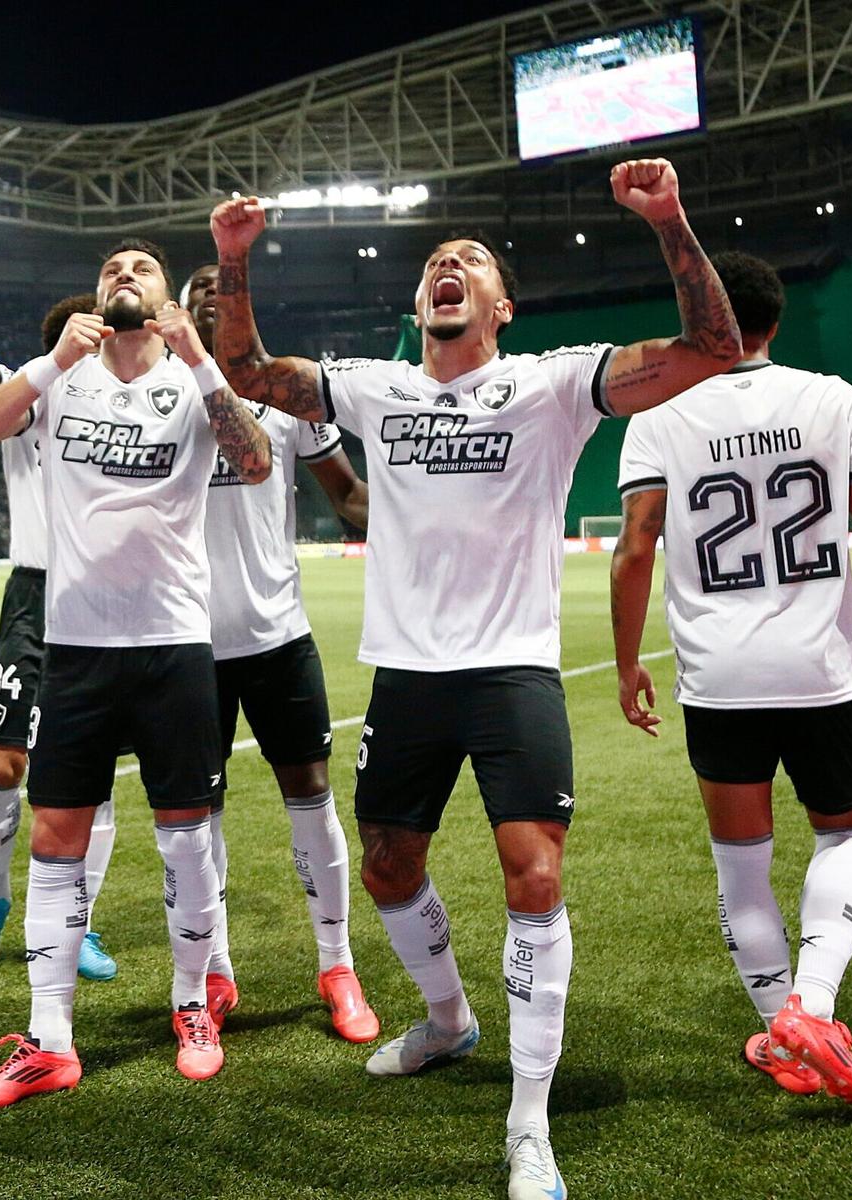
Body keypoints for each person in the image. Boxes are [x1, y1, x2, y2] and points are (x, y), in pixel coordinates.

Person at [210, 158, 741, 1198]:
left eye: (472, 262)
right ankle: (449, 1020)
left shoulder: (551, 382)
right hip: (405, 677)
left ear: (502, 304)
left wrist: (672, 219)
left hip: (511, 674)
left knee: (533, 879)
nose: (448, 266)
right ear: (421, 303)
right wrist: (234, 264)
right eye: (435, 263)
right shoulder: (378, 386)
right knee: (388, 870)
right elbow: (248, 372)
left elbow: (713, 350)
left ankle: (528, 1122)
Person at [0, 235, 271, 1108]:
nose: (123, 275)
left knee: (185, 834)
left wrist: (203, 362)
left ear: (164, 297)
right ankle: (49, 1041)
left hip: (171, 644)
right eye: (110, 269)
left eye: (141, 268)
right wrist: (52, 363)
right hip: (77, 647)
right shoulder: (61, 375)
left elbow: (256, 461)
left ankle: (192, 1004)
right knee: (55, 838)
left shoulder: (193, 381)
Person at [608, 250, 852, 1108]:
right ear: (774, 320)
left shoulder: (659, 412)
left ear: (693, 318)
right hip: (821, 670)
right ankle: (810, 1008)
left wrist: (631, 661)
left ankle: (780, 1026)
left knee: (741, 865)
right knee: (845, 836)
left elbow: (636, 549)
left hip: (719, 677)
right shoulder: (831, 398)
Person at [180, 261, 379, 1042]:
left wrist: (425, 517)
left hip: (275, 634)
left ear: (241, 303)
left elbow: (349, 496)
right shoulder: (155, 399)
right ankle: (215, 970)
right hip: (183, 641)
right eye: (191, 289)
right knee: (196, 813)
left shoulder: (284, 397)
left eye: (217, 285)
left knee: (312, 797)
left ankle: (337, 966)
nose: (206, 294)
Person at [0, 187, 118, 982]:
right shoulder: (26, 399)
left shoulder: (129, 410)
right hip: (36, 598)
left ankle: (83, 921)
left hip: (109, 603)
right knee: (6, 765)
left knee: (95, 780)